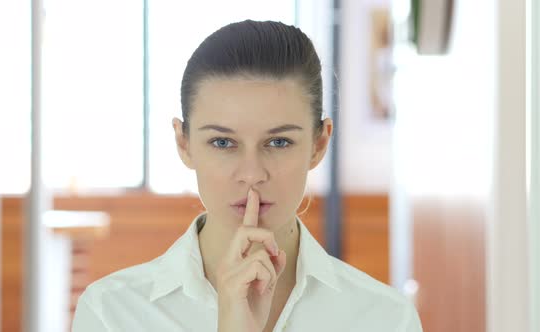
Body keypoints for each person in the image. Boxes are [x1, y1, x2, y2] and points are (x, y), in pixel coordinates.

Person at [72, 20, 422, 332]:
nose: (252, 174)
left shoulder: (385, 319)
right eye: (223, 142)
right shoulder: (112, 315)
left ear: (318, 144)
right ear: (184, 143)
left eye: (279, 141)